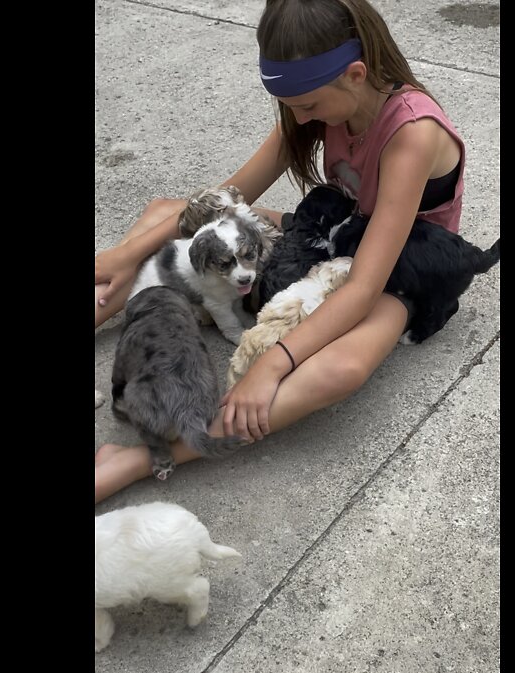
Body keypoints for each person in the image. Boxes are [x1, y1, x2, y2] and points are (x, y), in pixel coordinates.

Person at [95, 0, 466, 504]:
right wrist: (127, 255)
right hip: (332, 229)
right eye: (290, 105)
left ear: (355, 75)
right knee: (166, 216)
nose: (298, 117)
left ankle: (144, 458)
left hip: (404, 264)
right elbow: (230, 194)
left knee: (342, 368)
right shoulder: (315, 97)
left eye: (307, 107)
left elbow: (363, 285)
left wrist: (272, 363)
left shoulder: (413, 135)